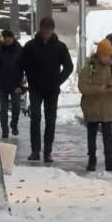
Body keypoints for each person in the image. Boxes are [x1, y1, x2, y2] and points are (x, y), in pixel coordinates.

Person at [21, 17, 74, 163]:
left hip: (51, 89)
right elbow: (22, 65)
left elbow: (69, 67)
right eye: (44, 28)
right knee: (36, 118)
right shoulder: (30, 46)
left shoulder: (60, 47)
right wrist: (27, 79)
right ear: (40, 28)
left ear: (53, 30)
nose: (46, 31)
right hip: (36, 88)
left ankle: (48, 151)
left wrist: (58, 81)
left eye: (49, 29)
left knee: (50, 120)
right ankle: (35, 150)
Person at [78, 39, 112, 172]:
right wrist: (97, 89)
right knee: (92, 136)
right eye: (105, 56)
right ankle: (92, 160)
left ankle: (109, 160)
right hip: (92, 109)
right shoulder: (89, 68)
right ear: (99, 55)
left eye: (109, 56)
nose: (107, 59)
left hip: (107, 109)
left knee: (108, 137)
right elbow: (82, 87)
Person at [0, 29, 24, 139]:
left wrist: (20, 85)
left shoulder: (19, 49)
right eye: (5, 38)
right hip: (2, 83)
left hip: (16, 83)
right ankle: (4, 129)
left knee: (16, 106)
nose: (7, 40)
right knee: (3, 107)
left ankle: (14, 124)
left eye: (9, 37)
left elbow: (22, 67)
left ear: (13, 38)